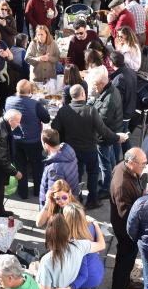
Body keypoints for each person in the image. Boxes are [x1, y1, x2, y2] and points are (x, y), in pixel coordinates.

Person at [52, 84, 120, 208]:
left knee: (75, 175)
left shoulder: (64, 110)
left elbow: (54, 128)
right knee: (93, 174)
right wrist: (117, 138)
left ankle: (75, 199)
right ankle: (92, 200)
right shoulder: (90, 110)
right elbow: (103, 130)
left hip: (71, 151)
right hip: (89, 150)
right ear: (83, 94)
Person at [5, 80, 52, 200]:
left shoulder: (8, 100)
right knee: (37, 166)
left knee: (20, 166)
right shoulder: (34, 104)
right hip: (33, 140)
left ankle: (23, 192)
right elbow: (46, 119)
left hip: (15, 140)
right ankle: (38, 191)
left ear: (17, 89)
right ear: (30, 91)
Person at [86, 66, 122, 200]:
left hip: (104, 136)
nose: (94, 88)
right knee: (111, 159)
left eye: (95, 85)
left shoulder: (109, 98)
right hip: (111, 133)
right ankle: (110, 181)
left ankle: (107, 188)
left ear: (102, 83)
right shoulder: (109, 91)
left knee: (104, 163)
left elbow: (101, 121)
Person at [39, 128, 80, 207]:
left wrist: (45, 209)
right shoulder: (68, 151)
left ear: (46, 145)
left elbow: (53, 196)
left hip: (58, 209)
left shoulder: (54, 168)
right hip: (71, 199)